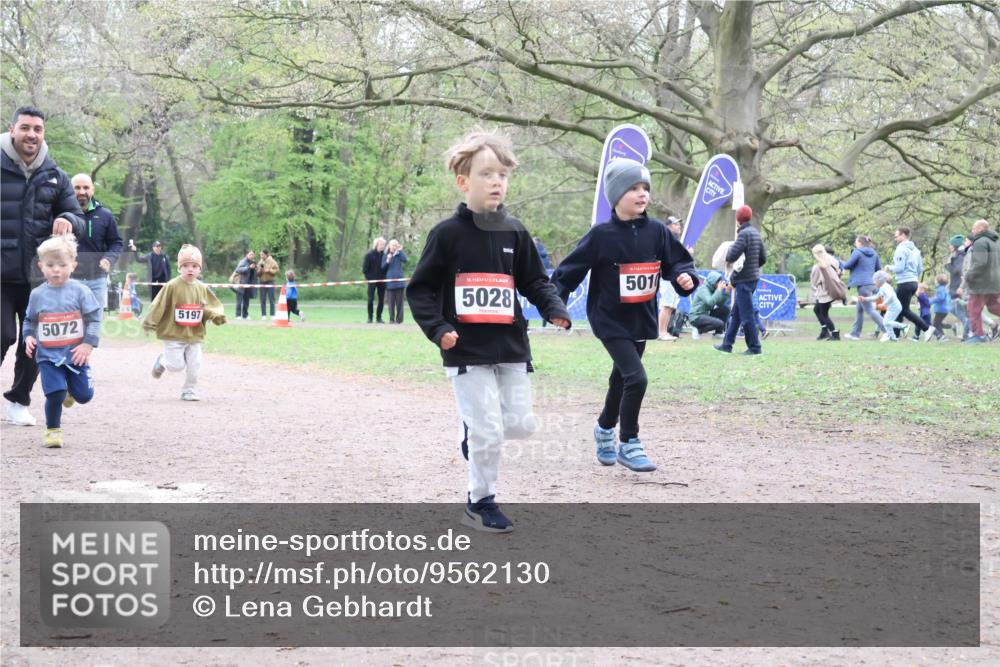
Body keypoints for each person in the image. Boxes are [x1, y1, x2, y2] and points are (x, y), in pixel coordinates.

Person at [406, 128, 570, 533]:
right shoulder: (446, 234)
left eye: (503, 175)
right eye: (487, 174)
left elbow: (535, 281)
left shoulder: (515, 231)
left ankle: (474, 430)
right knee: (489, 430)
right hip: (465, 350)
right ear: (464, 182)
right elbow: (420, 289)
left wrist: (554, 309)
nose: (497, 181)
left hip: (511, 345)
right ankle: (481, 501)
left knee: (521, 425)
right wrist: (438, 328)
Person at [552, 158, 697, 473]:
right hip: (609, 319)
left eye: (645, 187)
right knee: (637, 378)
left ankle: (604, 428)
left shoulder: (658, 231)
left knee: (621, 379)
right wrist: (556, 305)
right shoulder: (601, 234)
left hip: (640, 318)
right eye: (633, 188)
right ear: (616, 195)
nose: (642, 193)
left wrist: (685, 277)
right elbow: (568, 271)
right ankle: (629, 442)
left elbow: (678, 263)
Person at [2, 105, 84, 427]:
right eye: (25, 128)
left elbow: (76, 213)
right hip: (1, 274)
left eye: (37, 129)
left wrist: (66, 218)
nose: (31, 134)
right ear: (12, 130)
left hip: (40, 278)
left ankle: (19, 400)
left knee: (36, 342)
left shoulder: (55, 175)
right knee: (2, 335)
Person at [21, 235, 100, 447]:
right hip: (48, 356)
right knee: (54, 394)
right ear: (40, 266)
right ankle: (53, 430)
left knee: (84, 396)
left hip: (75, 355)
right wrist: (28, 337)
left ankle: (71, 392)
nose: (56, 270)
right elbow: (29, 320)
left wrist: (87, 344)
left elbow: (94, 319)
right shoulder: (37, 295)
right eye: (50, 265)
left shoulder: (81, 292)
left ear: (73, 265)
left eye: (62, 265)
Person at [144, 244, 226, 400]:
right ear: (179, 268)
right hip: (173, 334)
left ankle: (189, 390)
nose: (190, 269)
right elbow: (158, 304)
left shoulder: (202, 288)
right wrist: (149, 322)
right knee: (176, 366)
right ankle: (163, 360)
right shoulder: (172, 286)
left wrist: (216, 316)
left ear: (200, 269)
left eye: (195, 266)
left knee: (195, 364)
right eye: (186, 265)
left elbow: (212, 306)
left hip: (194, 334)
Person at [715, 205, 766, 355]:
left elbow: (731, 256)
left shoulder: (743, 235)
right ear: (749, 217)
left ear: (737, 219)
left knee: (747, 315)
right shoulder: (755, 233)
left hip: (743, 280)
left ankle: (755, 347)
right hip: (753, 279)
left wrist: (728, 248)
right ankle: (727, 344)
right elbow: (763, 258)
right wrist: (753, 268)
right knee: (736, 314)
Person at [70, 173, 123, 310]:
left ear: (92, 190)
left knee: (93, 324)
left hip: (97, 279)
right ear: (70, 189)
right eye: (77, 188)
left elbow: (116, 242)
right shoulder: (62, 214)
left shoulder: (105, 215)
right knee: (71, 322)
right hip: (69, 279)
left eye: (86, 187)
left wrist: (109, 259)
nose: (82, 192)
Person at [886, 226, 929, 341]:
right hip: (913, 282)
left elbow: (899, 268)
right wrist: (914, 277)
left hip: (904, 282)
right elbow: (920, 269)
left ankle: (927, 328)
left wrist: (889, 267)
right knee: (899, 308)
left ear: (903, 235)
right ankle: (894, 335)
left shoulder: (901, 249)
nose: (895, 238)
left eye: (896, 236)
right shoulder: (916, 250)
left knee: (902, 309)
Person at [960, 219, 1000, 344]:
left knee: (973, 308)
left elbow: (979, 263)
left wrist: (967, 277)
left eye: (974, 228)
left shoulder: (980, 242)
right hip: (994, 281)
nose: (972, 231)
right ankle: (979, 335)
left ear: (982, 228)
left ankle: (979, 336)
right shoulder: (995, 242)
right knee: (994, 307)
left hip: (981, 283)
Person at [842, 235, 884, 340]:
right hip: (872, 284)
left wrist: (839, 262)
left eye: (856, 242)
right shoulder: (874, 253)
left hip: (863, 285)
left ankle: (888, 331)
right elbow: (879, 269)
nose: (855, 244)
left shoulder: (857, 252)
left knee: (869, 310)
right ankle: (855, 334)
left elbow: (848, 265)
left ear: (860, 243)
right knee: (859, 309)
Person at [859, 271, 909, 341]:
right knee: (886, 322)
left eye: (875, 281)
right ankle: (893, 338)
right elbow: (876, 297)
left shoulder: (885, 287)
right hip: (892, 307)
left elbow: (891, 296)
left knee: (886, 322)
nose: (874, 283)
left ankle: (904, 326)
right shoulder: (882, 287)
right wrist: (865, 299)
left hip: (895, 307)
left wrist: (883, 304)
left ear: (879, 280)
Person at [656, 215, 684, 341]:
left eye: (679, 224)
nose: (679, 226)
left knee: (670, 306)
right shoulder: (666, 239)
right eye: (675, 224)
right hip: (667, 276)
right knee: (666, 305)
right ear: (668, 226)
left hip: (672, 276)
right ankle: (661, 332)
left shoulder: (672, 240)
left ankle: (664, 331)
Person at [810, 244, 844, 341]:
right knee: (817, 310)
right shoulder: (833, 261)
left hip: (824, 292)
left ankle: (834, 333)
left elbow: (815, 281)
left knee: (823, 314)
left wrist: (815, 287)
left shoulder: (818, 266)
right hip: (832, 289)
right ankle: (824, 330)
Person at [687, 270, 731, 338]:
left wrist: (727, 293)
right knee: (720, 323)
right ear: (713, 282)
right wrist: (719, 290)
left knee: (726, 309)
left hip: (706, 314)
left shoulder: (713, 289)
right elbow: (710, 302)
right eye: (718, 282)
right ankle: (698, 330)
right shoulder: (703, 289)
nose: (720, 283)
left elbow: (720, 304)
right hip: (696, 316)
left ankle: (718, 333)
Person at [945, 234, 971, 339]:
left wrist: (948, 266)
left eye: (951, 245)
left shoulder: (960, 256)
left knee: (958, 309)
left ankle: (968, 329)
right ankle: (968, 328)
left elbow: (957, 271)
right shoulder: (956, 255)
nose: (949, 247)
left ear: (955, 245)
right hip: (953, 286)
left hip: (958, 287)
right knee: (952, 308)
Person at [382, 239, 408, 324]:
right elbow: (383, 268)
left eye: (396, 245)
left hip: (400, 283)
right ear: (389, 246)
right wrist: (387, 261)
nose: (394, 247)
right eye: (393, 245)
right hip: (390, 283)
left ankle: (399, 320)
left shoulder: (399, 255)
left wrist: (400, 251)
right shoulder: (386, 255)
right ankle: (391, 319)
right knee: (391, 303)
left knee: (400, 303)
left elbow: (405, 260)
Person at [362, 237, 387, 323]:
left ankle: (379, 317)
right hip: (372, 281)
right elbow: (365, 269)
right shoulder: (369, 255)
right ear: (376, 245)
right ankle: (370, 318)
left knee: (381, 300)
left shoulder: (385, 255)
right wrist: (369, 279)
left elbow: (385, 268)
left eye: (384, 245)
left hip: (382, 281)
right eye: (381, 244)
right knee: (370, 299)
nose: (383, 246)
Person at [927, 273, 954, 341]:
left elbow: (940, 298)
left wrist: (930, 302)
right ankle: (952, 327)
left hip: (941, 309)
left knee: (935, 324)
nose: (935, 282)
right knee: (938, 323)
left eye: (936, 280)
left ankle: (942, 336)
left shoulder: (940, 289)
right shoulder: (944, 289)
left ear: (938, 281)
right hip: (944, 309)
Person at [233, 250, 257, 320]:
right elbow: (238, 270)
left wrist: (256, 268)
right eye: (250, 254)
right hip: (241, 284)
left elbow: (254, 273)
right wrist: (248, 267)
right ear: (247, 254)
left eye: (253, 255)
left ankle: (245, 315)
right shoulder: (243, 261)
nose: (251, 256)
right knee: (239, 301)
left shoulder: (253, 262)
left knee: (246, 301)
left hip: (249, 285)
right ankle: (238, 315)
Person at [257, 248, 279, 320]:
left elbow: (276, 270)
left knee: (272, 299)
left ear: (266, 255)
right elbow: (257, 273)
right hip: (262, 282)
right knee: (262, 299)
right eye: (260, 255)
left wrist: (269, 270)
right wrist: (260, 270)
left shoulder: (272, 261)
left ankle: (272, 315)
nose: (261, 256)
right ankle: (263, 315)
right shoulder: (260, 262)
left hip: (270, 282)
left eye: (262, 254)